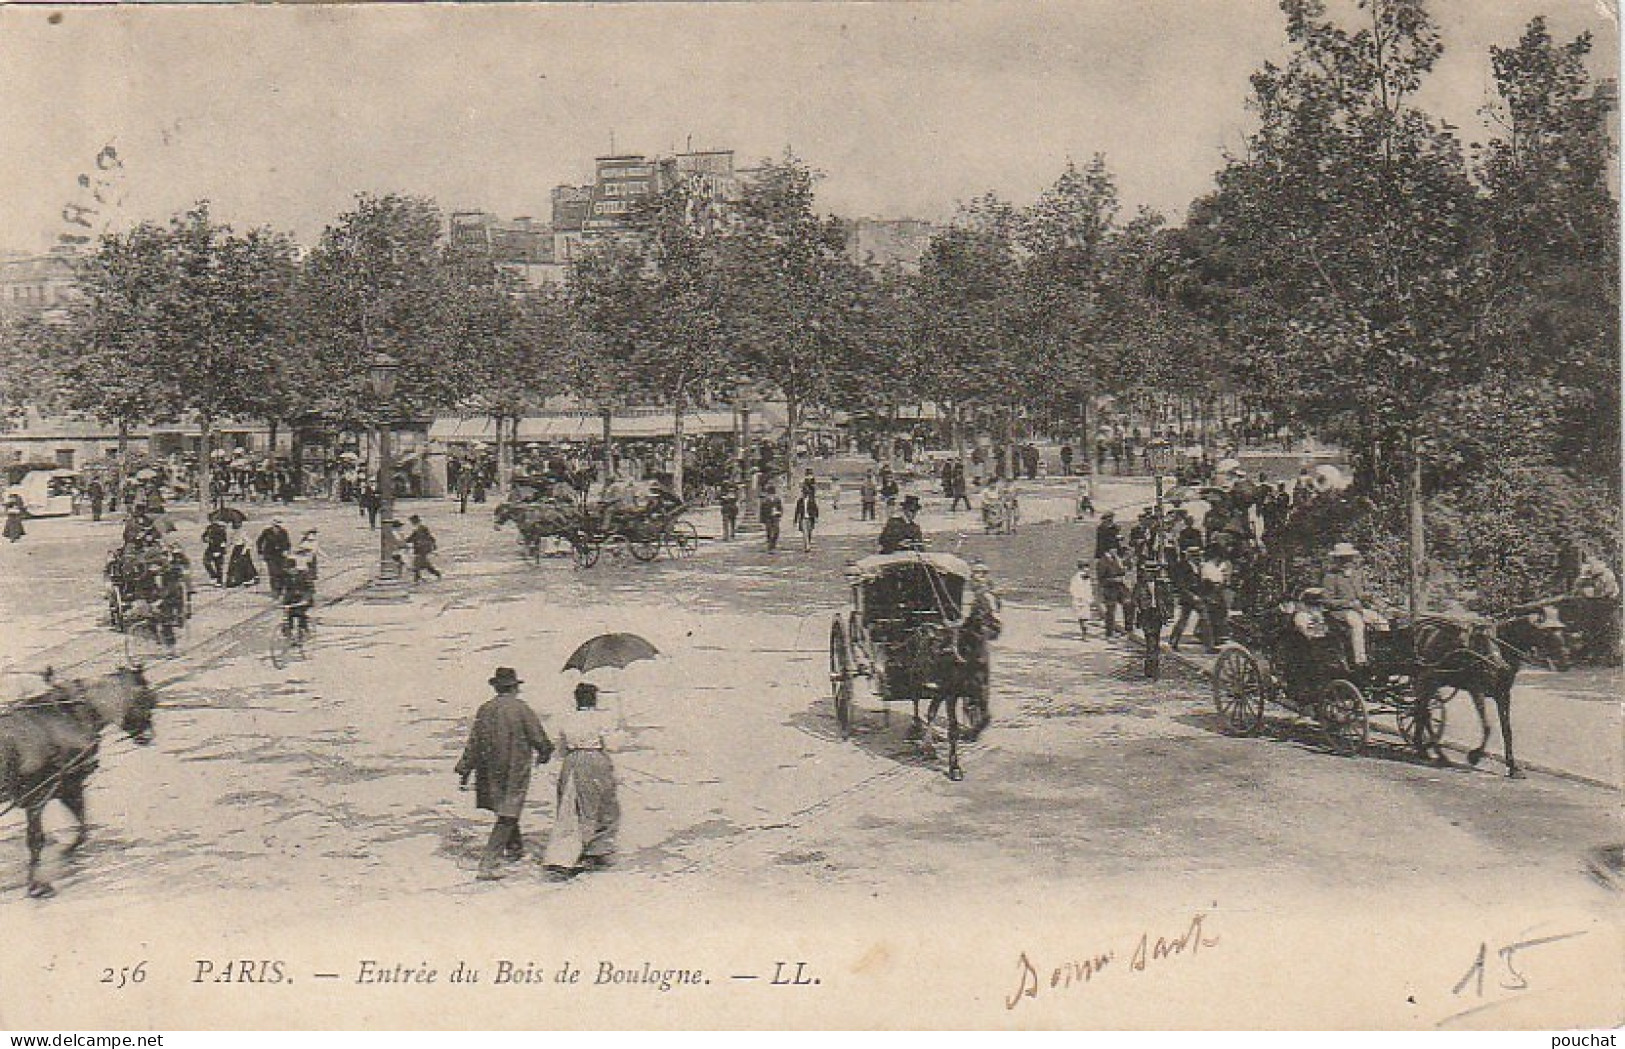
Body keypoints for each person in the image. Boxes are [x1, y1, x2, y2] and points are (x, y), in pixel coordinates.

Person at [456, 667, 554, 881]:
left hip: (489, 769)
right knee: (509, 812)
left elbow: (473, 743)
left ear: (497, 687)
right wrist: (545, 751)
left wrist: (465, 769)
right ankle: (488, 864)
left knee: (505, 807)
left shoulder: (485, 709)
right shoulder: (521, 708)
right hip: (514, 767)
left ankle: (515, 849)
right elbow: (537, 735)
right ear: (515, 687)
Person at [542, 682, 622, 880]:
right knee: (603, 804)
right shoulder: (600, 718)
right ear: (594, 699)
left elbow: (560, 749)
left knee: (570, 807)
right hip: (595, 759)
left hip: (571, 761)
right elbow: (612, 745)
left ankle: (567, 853)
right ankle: (592, 850)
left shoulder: (567, 718)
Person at [1321, 543, 1383, 666]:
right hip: (1340, 612)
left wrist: (1371, 597)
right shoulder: (1331, 577)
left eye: (1349, 558)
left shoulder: (1356, 575)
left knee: (1381, 621)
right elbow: (1327, 601)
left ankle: (1381, 655)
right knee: (1357, 624)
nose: (1347, 561)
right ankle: (1360, 660)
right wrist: (1348, 603)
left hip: (1358, 609)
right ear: (1337, 560)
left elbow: (1360, 594)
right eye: (1343, 558)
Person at [1133, 556, 1174, 679]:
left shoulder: (1161, 585)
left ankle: (1149, 667)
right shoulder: (1140, 585)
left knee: (1155, 641)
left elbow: (1168, 599)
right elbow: (1134, 600)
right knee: (1150, 641)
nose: (1150, 574)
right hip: (1146, 615)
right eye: (1148, 571)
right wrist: (1138, 609)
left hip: (1157, 615)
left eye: (1153, 571)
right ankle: (1153, 670)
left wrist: (1169, 615)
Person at [1095, 546, 1130, 637]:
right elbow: (1101, 579)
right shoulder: (1102, 562)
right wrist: (1115, 579)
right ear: (1108, 550)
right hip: (1110, 589)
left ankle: (1128, 628)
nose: (1115, 551)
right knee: (1111, 610)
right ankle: (1109, 632)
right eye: (1113, 549)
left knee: (1128, 604)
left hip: (1121, 588)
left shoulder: (1117, 558)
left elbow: (1122, 571)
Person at [256, 518, 292, 598]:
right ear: (273, 525)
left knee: (282, 572)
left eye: (279, 526)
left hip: (281, 555)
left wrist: (286, 550)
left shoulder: (284, 532)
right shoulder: (266, 532)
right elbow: (259, 541)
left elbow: (288, 543)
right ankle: (275, 590)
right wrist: (260, 552)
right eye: (276, 526)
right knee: (273, 572)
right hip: (270, 555)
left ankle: (281, 589)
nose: (277, 528)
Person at [406, 515, 441, 582]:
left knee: (418, 563)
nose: (412, 523)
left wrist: (433, 545)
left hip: (423, 549)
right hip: (420, 549)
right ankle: (418, 577)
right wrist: (406, 541)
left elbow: (429, 537)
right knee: (421, 563)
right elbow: (412, 538)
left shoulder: (423, 528)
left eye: (412, 521)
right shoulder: (417, 529)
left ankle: (418, 577)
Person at [224, 521, 259, 588]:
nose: (235, 528)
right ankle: (234, 580)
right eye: (234, 526)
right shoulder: (233, 533)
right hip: (236, 549)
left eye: (236, 526)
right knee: (233, 564)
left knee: (244, 564)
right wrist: (227, 547)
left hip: (243, 549)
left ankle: (248, 578)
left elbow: (249, 542)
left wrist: (244, 550)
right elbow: (231, 542)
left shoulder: (243, 533)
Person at [1069, 560, 1095, 640]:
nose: (1087, 569)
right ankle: (1084, 633)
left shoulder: (1087, 578)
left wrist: (1090, 597)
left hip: (1086, 599)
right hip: (1079, 599)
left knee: (1085, 617)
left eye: (1087, 568)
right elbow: (1073, 589)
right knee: (1082, 617)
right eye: (1085, 568)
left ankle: (1084, 633)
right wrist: (1078, 596)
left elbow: (1089, 588)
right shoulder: (1076, 578)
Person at [793, 476, 819, 552]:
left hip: (810, 518)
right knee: (805, 532)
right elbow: (797, 511)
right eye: (803, 493)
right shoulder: (800, 501)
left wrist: (816, 517)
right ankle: (807, 546)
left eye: (805, 493)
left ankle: (808, 543)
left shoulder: (811, 500)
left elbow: (816, 509)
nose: (804, 494)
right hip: (803, 518)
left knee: (809, 532)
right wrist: (795, 520)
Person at [201, 517, 229, 586]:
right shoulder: (209, 528)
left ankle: (219, 581)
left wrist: (220, 551)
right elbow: (204, 536)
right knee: (206, 562)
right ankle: (214, 576)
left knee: (218, 565)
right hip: (211, 548)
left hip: (218, 548)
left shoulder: (221, 529)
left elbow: (223, 541)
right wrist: (205, 539)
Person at [758, 484, 783, 553]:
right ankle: (770, 545)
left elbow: (780, 508)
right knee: (769, 530)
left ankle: (773, 544)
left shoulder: (777, 499)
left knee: (776, 531)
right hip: (767, 517)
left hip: (775, 516)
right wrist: (762, 519)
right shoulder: (765, 500)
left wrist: (779, 513)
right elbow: (762, 510)